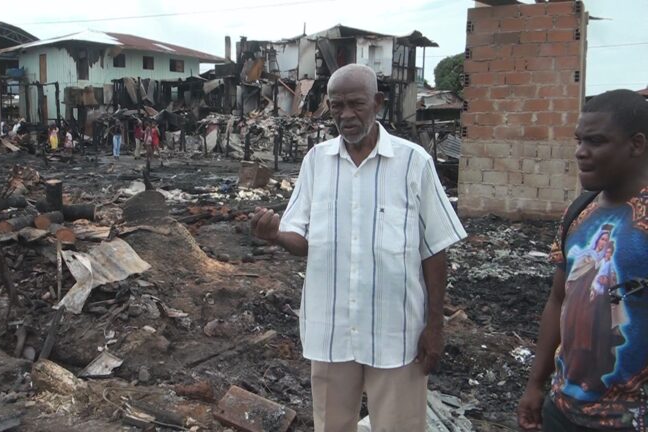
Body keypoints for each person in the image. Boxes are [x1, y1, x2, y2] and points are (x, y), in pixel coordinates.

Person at [250, 64, 467, 432]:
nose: (346, 115)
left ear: (378, 103)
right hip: (331, 330)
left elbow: (434, 250)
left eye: (356, 104)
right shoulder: (316, 162)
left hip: (397, 333)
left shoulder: (414, 163)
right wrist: (274, 236)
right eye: (337, 106)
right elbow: (301, 239)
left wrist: (435, 326)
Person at [517, 89, 648, 431]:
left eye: (596, 141)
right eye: (579, 140)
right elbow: (558, 298)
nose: (581, 152)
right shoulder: (578, 213)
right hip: (563, 410)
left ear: (636, 144)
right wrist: (535, 385)